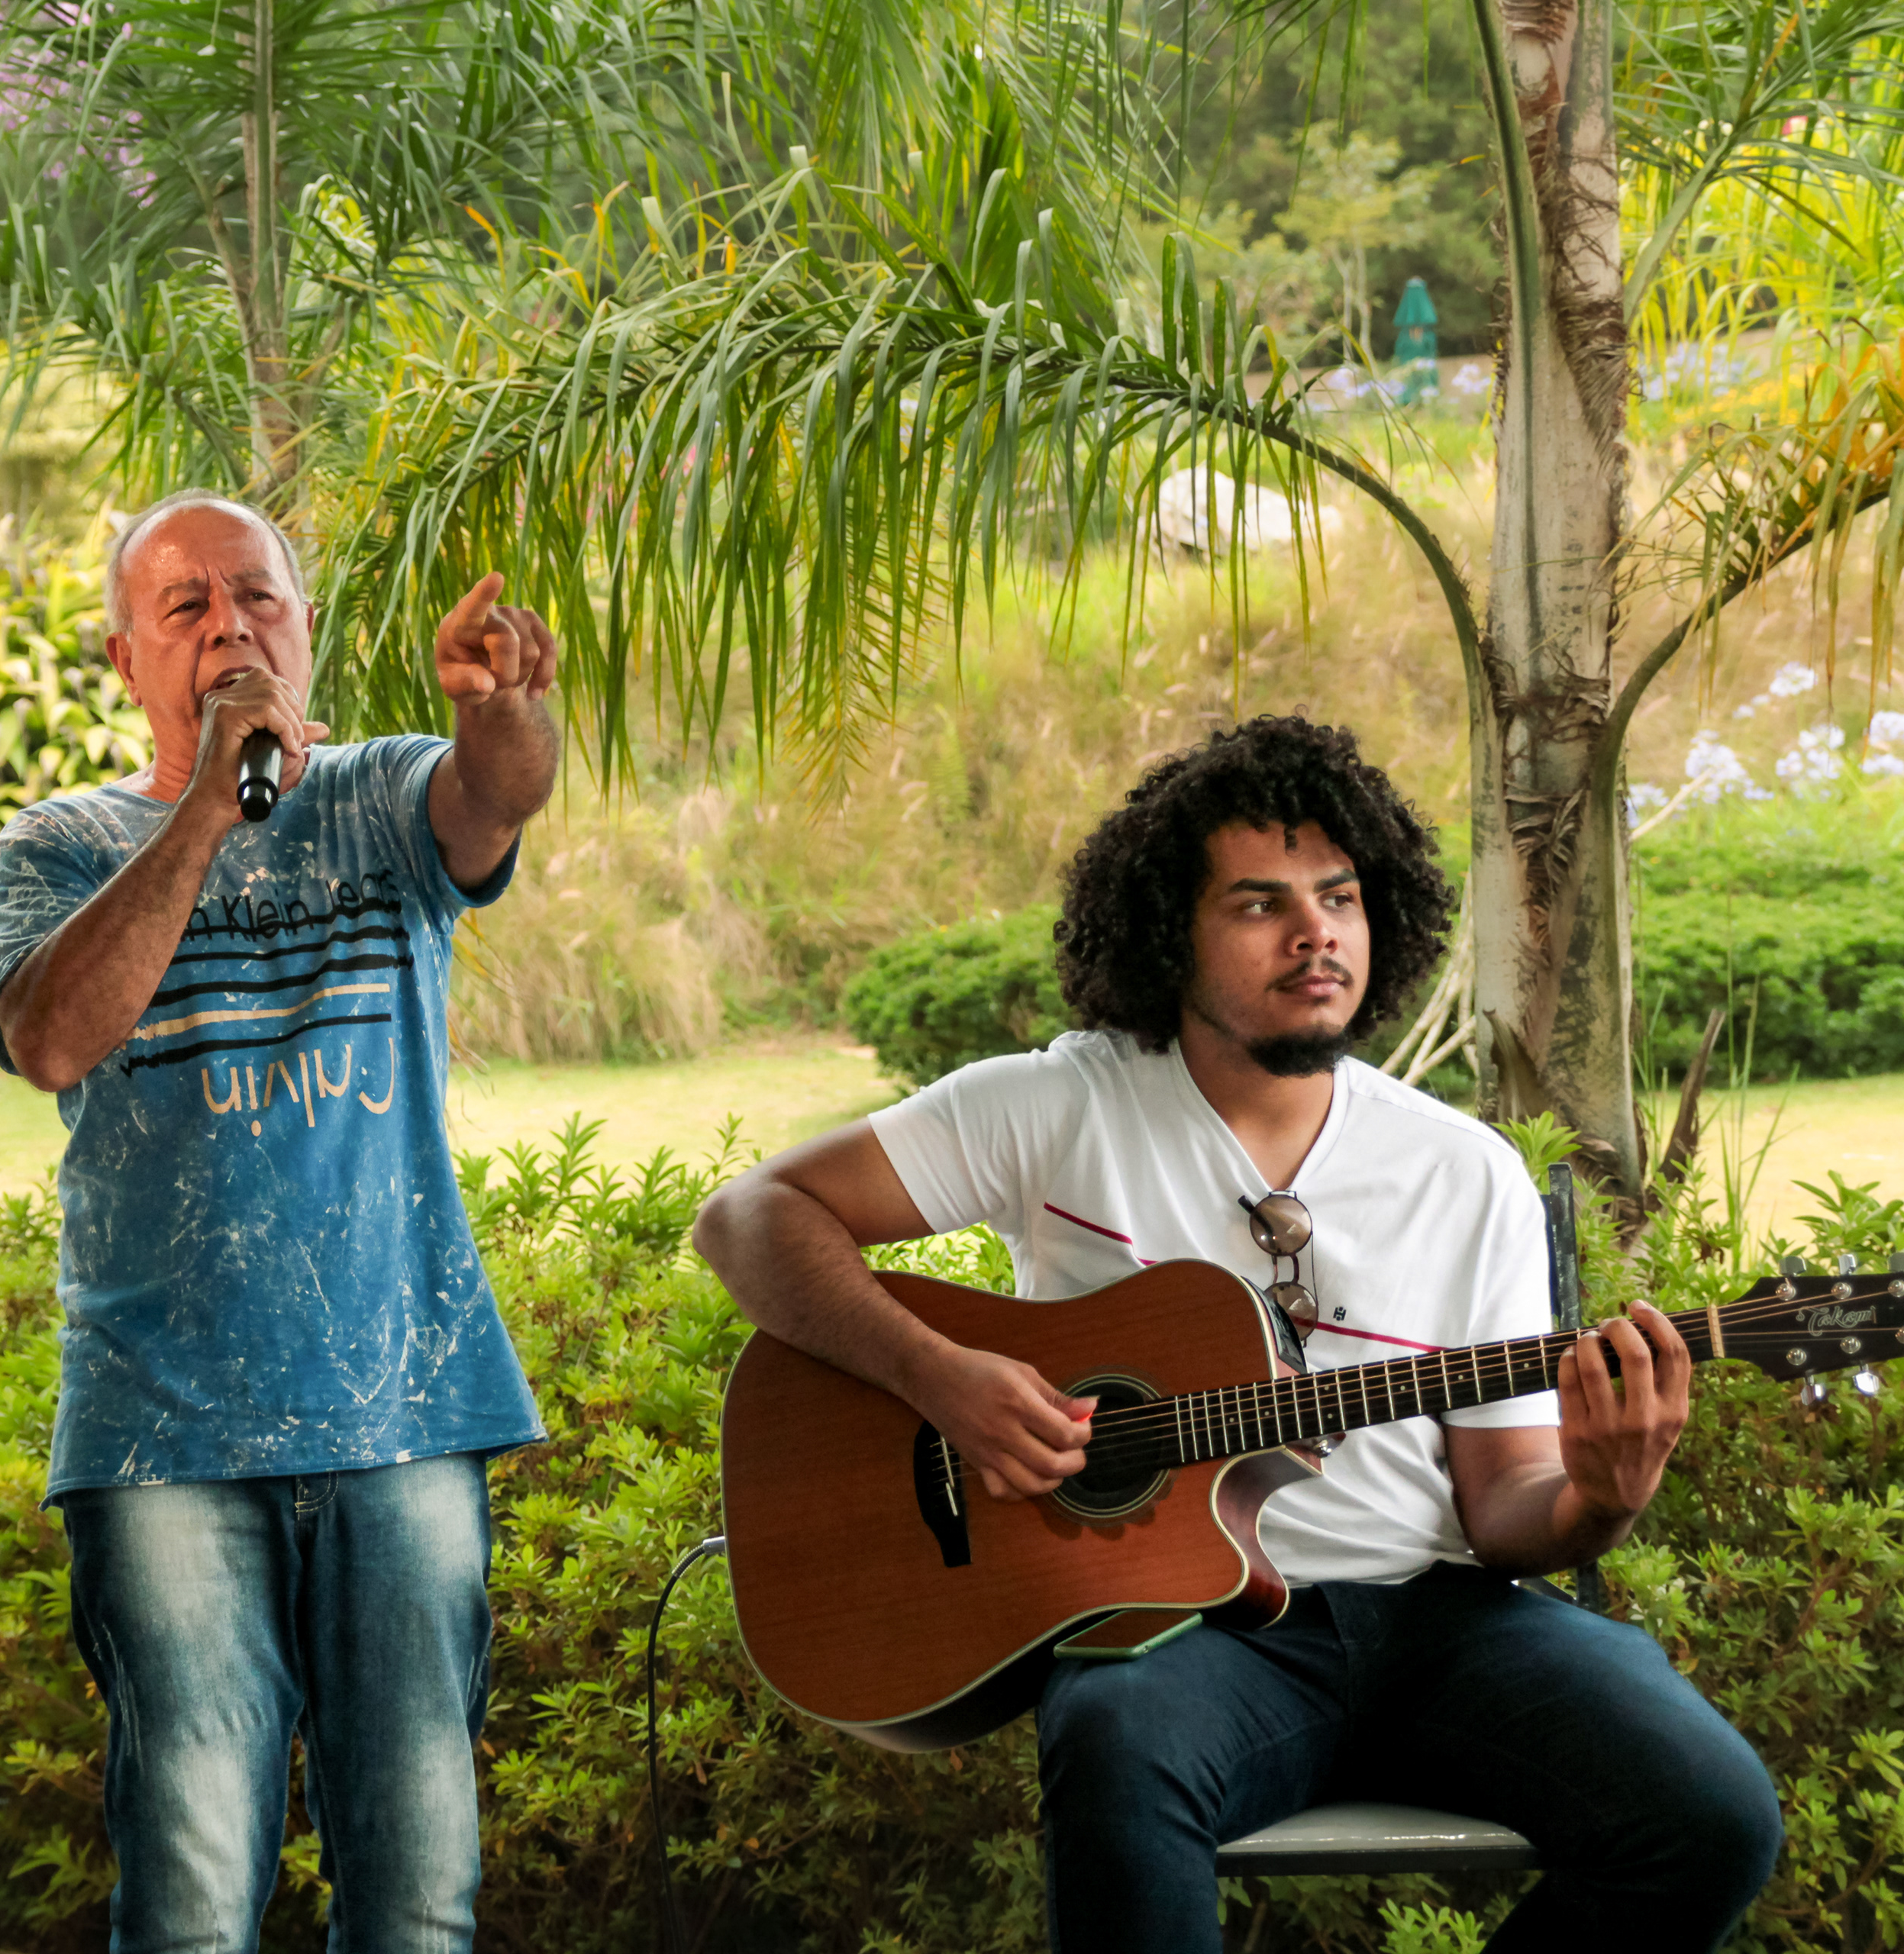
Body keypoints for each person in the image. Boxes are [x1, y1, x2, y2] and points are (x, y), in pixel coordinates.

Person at [692, 717, 1780, 1952]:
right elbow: (751, 1219)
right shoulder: (1063, 1105)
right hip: (1191, 1640)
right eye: (1261, 903)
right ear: (1171, 930)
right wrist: (940, 1380)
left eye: (1340, 897)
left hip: (1444, 1624)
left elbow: (1505, 1510)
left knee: (1711, 1816)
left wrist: (1603, 1496)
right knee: (1115, 1742)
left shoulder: (1463, 1171)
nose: (1317, 933)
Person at [0, 490, 558, 1950]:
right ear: (127, 658)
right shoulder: (55, 845)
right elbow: (52, 1040)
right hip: (162, 1435)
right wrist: (204, 809)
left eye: (260, 599)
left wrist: (505, 714)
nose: (233, 627)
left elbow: (497, 797)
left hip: (404, 1415)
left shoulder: (380, 795)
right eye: (189, 608)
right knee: (189, 1892)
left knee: (419, 1893)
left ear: (307, 629)